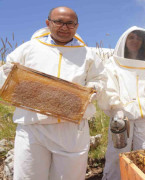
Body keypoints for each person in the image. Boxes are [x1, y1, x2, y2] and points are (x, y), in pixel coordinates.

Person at [0, 6, 108, 180]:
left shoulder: (89, 54)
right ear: (48, 23)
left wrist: (92, 90)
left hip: (72, 128)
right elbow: (7, 72)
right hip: (32, 125)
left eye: (70, 23)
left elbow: (101, 79)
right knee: (28, 176)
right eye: (59, 22)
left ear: (77, 26)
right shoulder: (29, 48)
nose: (64, 27)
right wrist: (9, 75)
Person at [102, 26, 145, 180]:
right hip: (121, 115)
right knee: (116, 153)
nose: (135, 40)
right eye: (131, 37)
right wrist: (116, 109)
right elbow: (109, 88)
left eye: (138, 38)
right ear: (124, 40)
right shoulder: (112, 64)